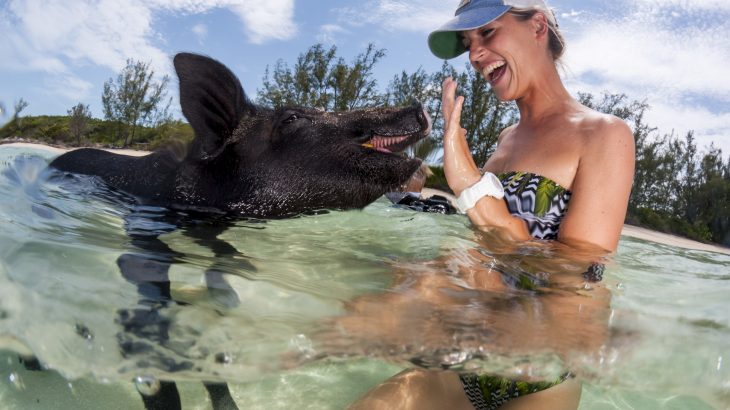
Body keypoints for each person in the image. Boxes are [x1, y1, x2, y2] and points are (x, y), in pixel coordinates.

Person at [347, 0, 635, 409]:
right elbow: (486, 261)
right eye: (468, 43)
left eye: (487, 33)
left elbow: (576, 274)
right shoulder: (504, 140)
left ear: (537, 26)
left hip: (538, 380)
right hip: (466, 360)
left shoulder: (606, 135)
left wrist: (470, 184)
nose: (475, 54)